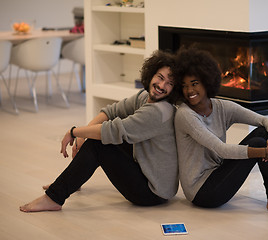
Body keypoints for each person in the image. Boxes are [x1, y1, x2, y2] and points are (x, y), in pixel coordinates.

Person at [20, 50, 179, 212]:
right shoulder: (144, 97)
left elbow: (112, 130)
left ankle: (54, 197)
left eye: (170, 83)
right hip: (147, 170)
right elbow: (112, 111)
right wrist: (83, 134)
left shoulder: (159, 111)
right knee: (98, 138)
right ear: (152, 74)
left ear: (175, 89)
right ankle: (72, 182)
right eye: (160, 77)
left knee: (99, 144)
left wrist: (75, 132)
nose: (161, 85)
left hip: (153, 192)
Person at [173, 47, 268, 212]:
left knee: (263, 132)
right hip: (202, 193)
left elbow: (264, 120)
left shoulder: (221, 107)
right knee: (258, 144)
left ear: (207, 80)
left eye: (194, 83)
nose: (189, 90)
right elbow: (221, 149)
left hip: (217, 174)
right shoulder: (185, 115)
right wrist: (265, 152)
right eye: (184, 86)